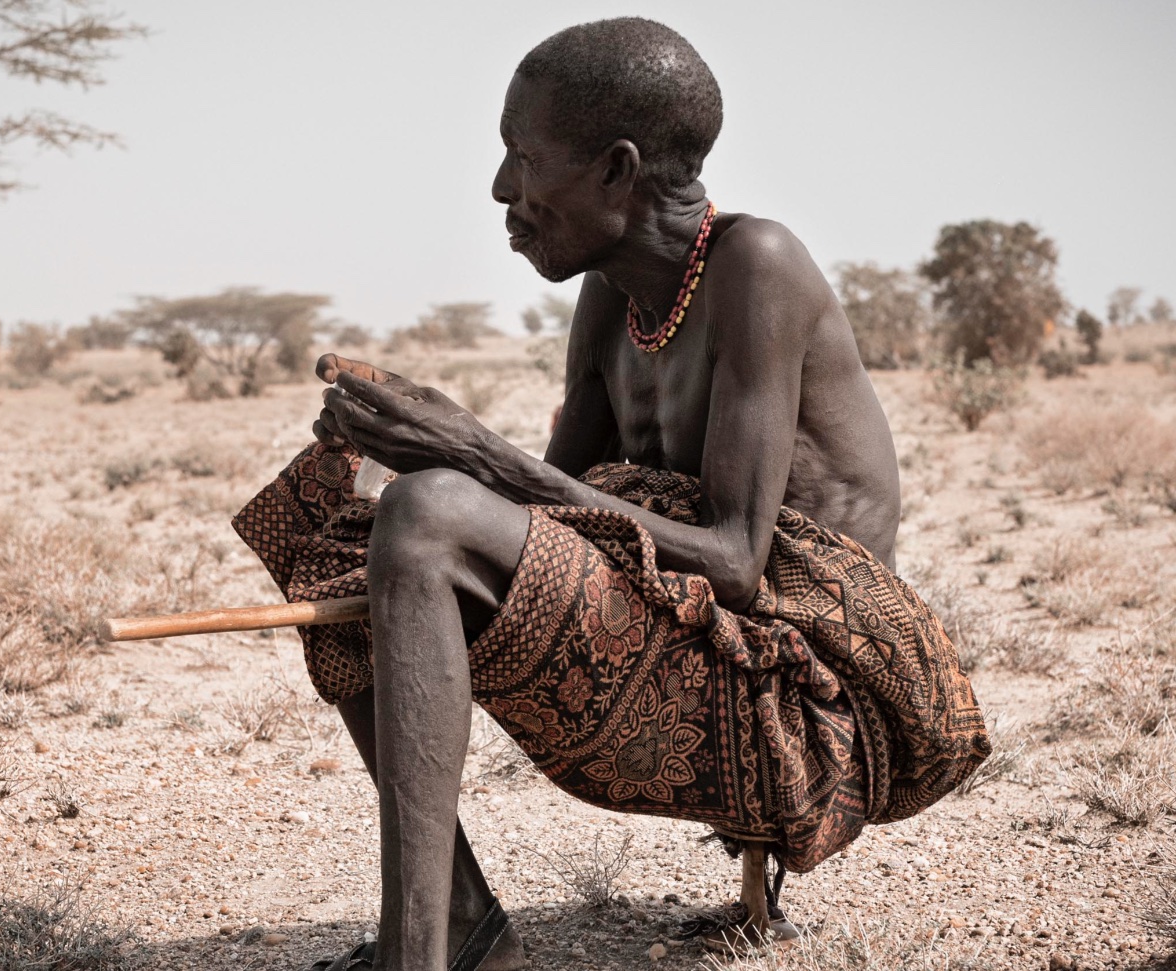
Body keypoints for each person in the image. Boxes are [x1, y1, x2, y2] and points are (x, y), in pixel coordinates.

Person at [232, 17, 989, 971]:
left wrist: (469, 452)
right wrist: (407, 438)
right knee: (344, 521)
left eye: (522, 157)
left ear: (616, 171)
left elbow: (739, 564)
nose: (503, 190)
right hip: (681, 649)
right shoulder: (610, 299)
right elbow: (554, 513)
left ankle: (411, 960)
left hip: (798, 702)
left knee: (424, 517)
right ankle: (459, 925)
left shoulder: (759, 266)